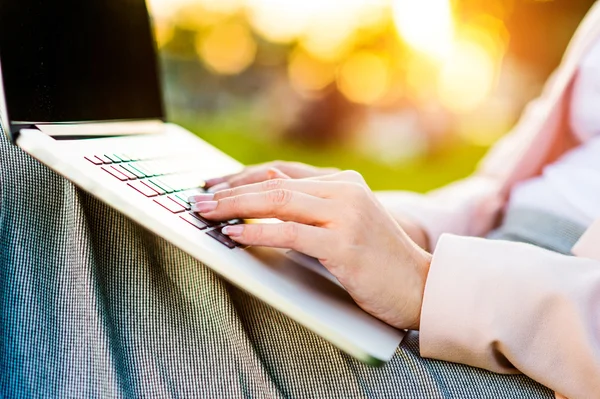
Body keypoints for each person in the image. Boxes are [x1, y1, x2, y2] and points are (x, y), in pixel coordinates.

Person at [1, 4, 598, 399]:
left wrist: (427, 284)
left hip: (529, 356)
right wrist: (396, 230)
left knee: (37, 187)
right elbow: (504, 186)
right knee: (36, 162)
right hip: (471, 272)